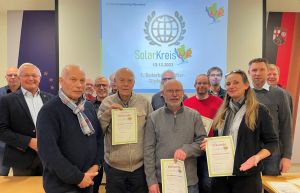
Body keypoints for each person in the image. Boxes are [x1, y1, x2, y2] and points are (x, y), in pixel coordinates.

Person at [201, 69, 278, 193]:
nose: (231, 86)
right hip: (221, 176)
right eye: (228, 84)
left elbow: (272, 142)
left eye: (236, 82)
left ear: (246, 85)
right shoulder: (222, 111)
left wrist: (257, 157)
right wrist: (210, 144)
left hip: (246, 176)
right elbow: (220, 139)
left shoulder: (259, 110)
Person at [37, 64, 103, 193]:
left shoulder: (88, 108)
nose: (79, 85)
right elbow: (49, 153)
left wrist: (96, 166)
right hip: (62, 186)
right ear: (61, 81)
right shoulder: (49, 111)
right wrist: (78, 178)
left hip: (88, 181)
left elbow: (99, 139)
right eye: (73, 79)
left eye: (82, 80)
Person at [144, 79, 207, 193]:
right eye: (170, 91)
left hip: (189, 182)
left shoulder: (194, 115)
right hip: (161, 182)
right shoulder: (153, 117)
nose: (174, 94)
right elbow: (148, 151)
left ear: (183, 93)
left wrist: (186, 150)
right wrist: (151, 181)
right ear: (162, 94)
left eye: (178, 90)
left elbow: (202, 143)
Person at [98, 67, 152, 193]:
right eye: (122, 80)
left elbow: (151, 131)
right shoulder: (107, 102)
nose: (126, 84)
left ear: (134, 83)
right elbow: (98, 132)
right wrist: (108, 114)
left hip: (139, 167)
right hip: (114, 168)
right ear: (115, 82)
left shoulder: (144, 102)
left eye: (129, 80)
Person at [0, 63, 53, 176]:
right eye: (26, 75)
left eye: (34, 75)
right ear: (19, 78)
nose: (31, 78)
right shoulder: (6, 100)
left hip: (49, 158)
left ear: (40, 78)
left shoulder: (51, 99)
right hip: (21, 159)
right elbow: (2, 131)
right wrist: (28, 142)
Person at [248, 58, 292, 176]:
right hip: (248, 153)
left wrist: (287, 156)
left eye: (262, 69)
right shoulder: (244, 93)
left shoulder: (280, 94)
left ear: (267, 71)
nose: (257, 73)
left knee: (270, 187)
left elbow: (286, 125)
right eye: (254, 70)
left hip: (273, 153)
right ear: (249, 72)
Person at [183, 74, 223, 193]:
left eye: (204, 83)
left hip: (209, 148)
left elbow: (223, 124)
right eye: (199, 83)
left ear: (209, 85)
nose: (201, 85)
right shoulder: (186, 103)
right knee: (192, 182)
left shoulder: (219, 102)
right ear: (194, 85)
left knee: (207, 183)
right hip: (192, 147)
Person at [0, 66, 20, 176]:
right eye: (9, 75)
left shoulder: (26, 94)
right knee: (1, 176)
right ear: (6, 77)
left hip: (21, 144)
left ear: (20, 77)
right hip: (2, 145)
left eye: (15, 75)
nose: (12, 77)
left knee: (21, 180)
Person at [91, 75, 109, 193]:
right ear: (94, 88)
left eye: (104, 85)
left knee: (113, 185)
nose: (102, 88)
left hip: (114, 151)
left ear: (110, 86)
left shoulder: (118, 105)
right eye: (98, 85)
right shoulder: (88, 106)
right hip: (96, 151)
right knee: (95, 185)